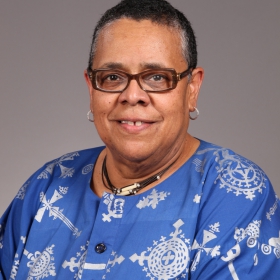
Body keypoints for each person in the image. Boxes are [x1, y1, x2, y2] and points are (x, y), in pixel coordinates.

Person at [0, 0, 279, 279]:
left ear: (192, 89)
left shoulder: (234, 190)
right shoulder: (47, 186)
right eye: (112, 77)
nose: (132, 95)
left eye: (157, 77)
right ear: (91, 87)